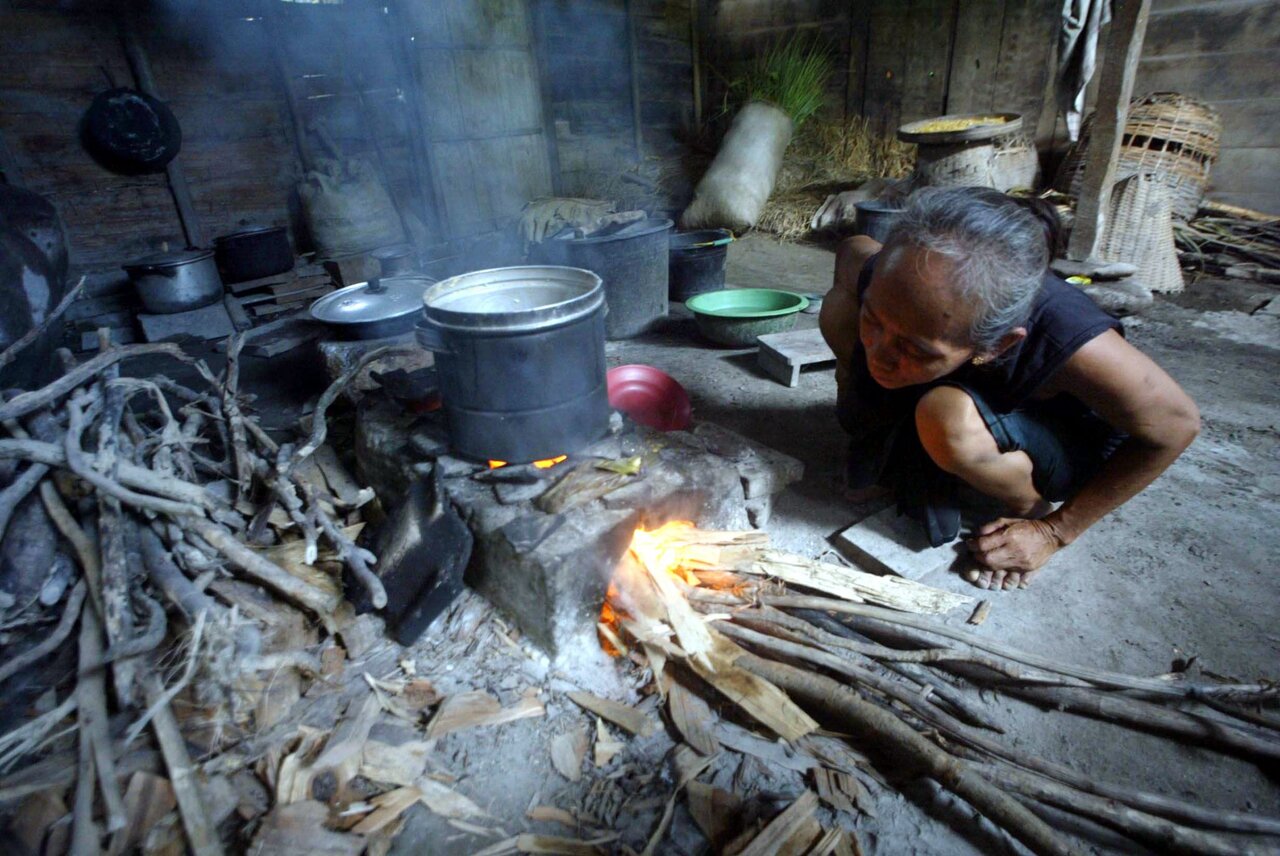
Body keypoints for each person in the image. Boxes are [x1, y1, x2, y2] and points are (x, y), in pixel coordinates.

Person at [819, 187, 1199, 591]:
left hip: (1065, 435)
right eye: (874, 320)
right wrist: (863, 364)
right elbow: (853, 248)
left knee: (945, 416)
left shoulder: (1067, 338)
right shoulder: (889, 274)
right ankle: (905, 428)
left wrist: (1055, 531)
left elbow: (1178, 426)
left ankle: (1025, 501)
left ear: (997, 346)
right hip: (966, 374)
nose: (878, 353)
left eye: (915, 349)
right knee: (839, 311)